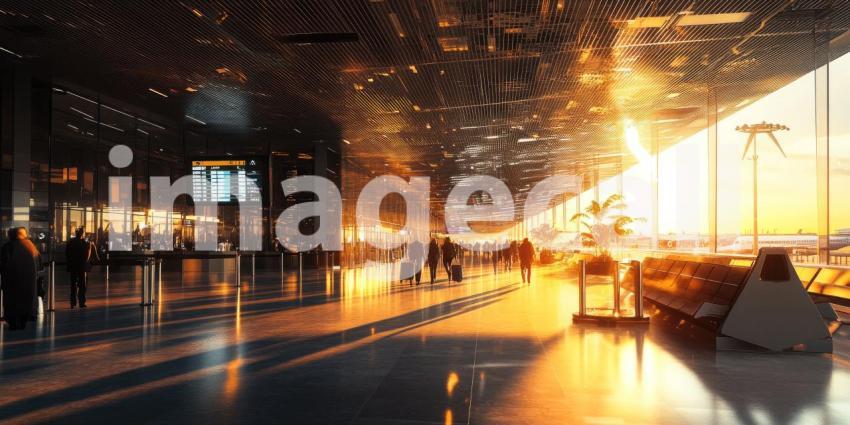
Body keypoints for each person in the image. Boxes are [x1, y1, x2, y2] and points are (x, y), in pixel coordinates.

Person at [1, 227, 41, 330]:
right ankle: (23, 321)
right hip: (29, 282)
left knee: (12, 302)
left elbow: (3, 264)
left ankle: (13, 323)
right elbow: (39, 264)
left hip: (12, 282)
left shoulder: (8, 247)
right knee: (26, 302)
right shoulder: (31, 246)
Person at [66, 227, 100, 308]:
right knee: (82, 285)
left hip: (73, 266)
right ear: (82, 233)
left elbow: (67, 254)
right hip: (82, 266)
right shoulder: (85, 243)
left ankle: (73, 302)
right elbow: (87, 256)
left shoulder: (70, 242)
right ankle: (81, 302)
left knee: (73, 285)